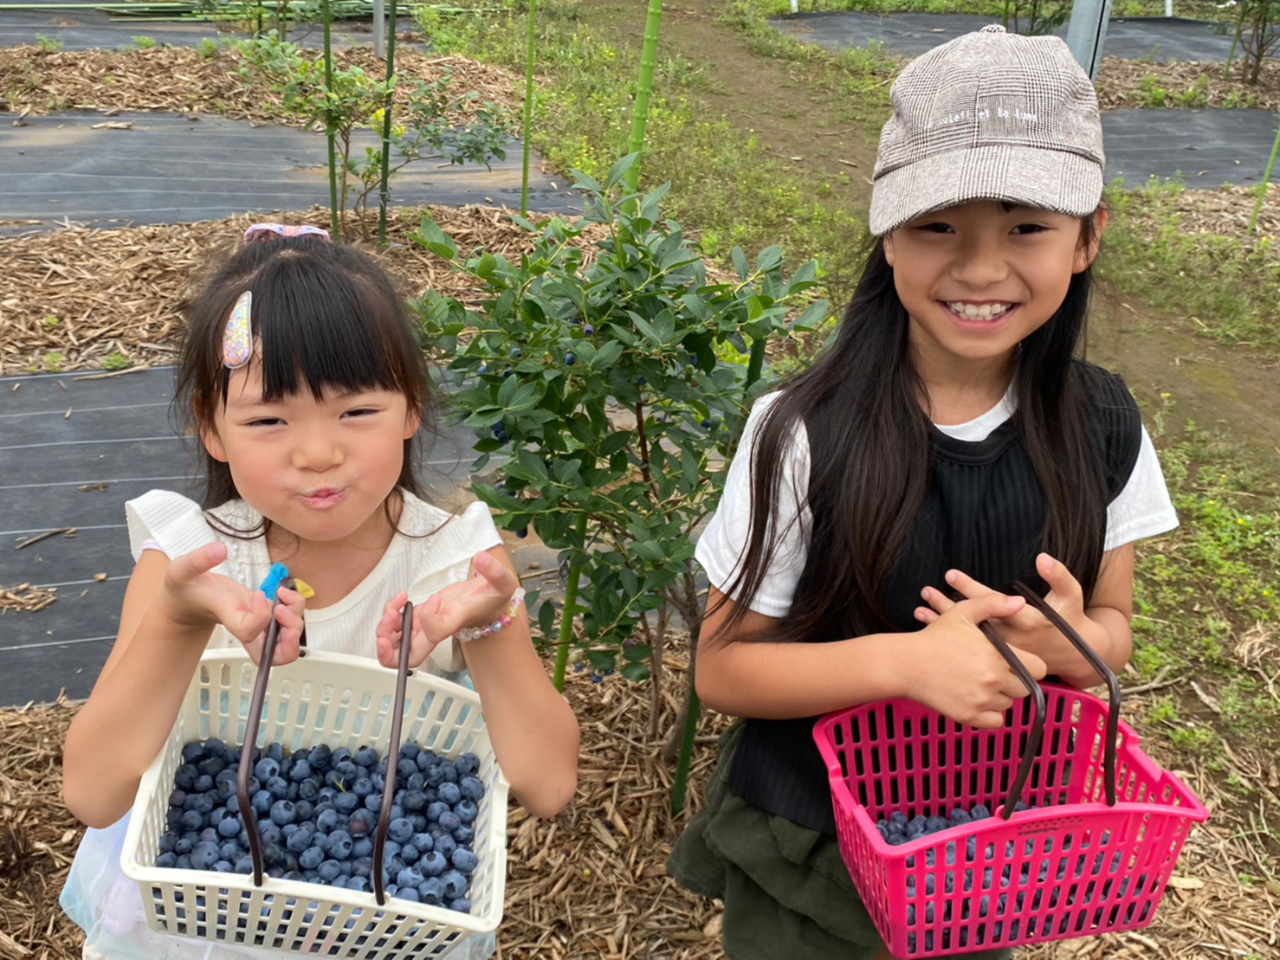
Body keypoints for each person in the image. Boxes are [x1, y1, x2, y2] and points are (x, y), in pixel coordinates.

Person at [667, 26, 1178, 960]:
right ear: (887, 234)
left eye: (1027, 226)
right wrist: (903, 664)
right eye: (939, 226)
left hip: (988, 847)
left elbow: (1112, 631)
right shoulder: (801, 432)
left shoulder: (1102, 422)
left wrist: (1064, 639)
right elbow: (725, 667)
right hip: (811, 851)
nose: (981, 270)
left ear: (1090, 236)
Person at [60, 224, 579, 959]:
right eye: (268, 420)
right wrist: (178, 620)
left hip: (385, 925)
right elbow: (92, 791)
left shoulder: (457, 561)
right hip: (198, 927)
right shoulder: (189, 563)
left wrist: (486, 631)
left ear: (411, 409)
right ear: (213, 429)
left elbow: (549, 784)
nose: (317, 453)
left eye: (356, 411)